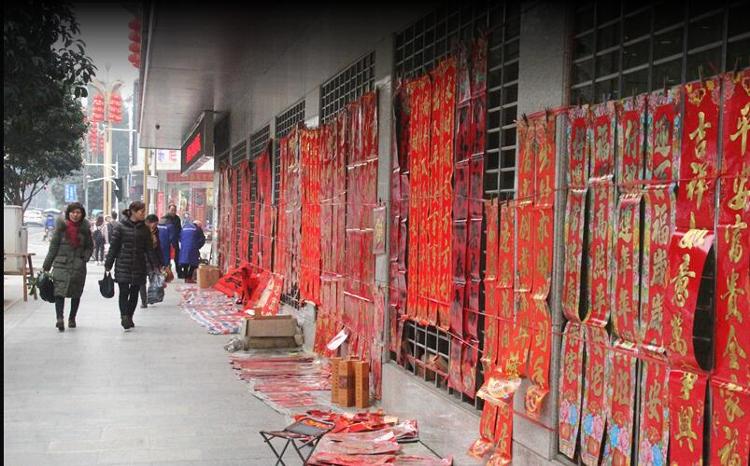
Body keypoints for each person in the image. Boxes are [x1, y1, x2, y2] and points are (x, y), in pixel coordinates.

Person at [42, 202, 94, 331]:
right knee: (59, 292)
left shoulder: (85, 230)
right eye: (73, 212)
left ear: (82, 214)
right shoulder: (60, 229)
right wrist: (46, 266)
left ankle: (72, 318)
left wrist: (85, 257)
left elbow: (90, 246)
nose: (75, 215)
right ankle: (59, 318)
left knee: (76, 293)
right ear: (68, 213)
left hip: (78, 266)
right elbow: (53, 248)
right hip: (61, 265)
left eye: (78, 212)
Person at [105, 201, 152, 330]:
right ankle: (124, 316)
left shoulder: (145, 229)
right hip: (123, 264)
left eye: (144, 211)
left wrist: (155, 266)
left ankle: (130, 315)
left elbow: (149, 250)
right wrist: (108, 264)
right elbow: (114, 247)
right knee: (124, 291)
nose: (143, 214)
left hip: (139, 264)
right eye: (141, 211)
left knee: (135, 292)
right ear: (133, 212)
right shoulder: (120, 227)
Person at [139, 214, 164, 308]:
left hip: (152, 259)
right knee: (142, 281)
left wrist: (160, 262)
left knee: (153, 278)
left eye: (157, 224)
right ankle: (144, 301)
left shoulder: (155, 231)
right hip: (142, 259)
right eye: (155, 224)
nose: (156, 226)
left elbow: (158, 248)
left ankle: (151, 297)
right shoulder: (141, 231)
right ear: (148, 222)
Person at [177, 219, 206, 283]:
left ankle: (186, 277)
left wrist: (184, 244)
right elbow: (202, 240)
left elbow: (179, 238)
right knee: (194, 263)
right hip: (193, 247)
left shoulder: (184, 228)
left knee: (185, 263)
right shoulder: (197, 229)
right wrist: (198, 247)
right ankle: (189, 278)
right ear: (198, 225)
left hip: (184, 248)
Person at [161, 204, 182, 275]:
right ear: (168, 210)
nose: (173, 212)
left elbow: (179, 229)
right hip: (166, 241)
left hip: (175, 240)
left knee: (177, 257)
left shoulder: (177, 219)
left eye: (175, 210)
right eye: (172, 210)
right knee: (166, 257)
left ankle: (179, 272)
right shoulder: (164, 218)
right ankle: (167, 273)